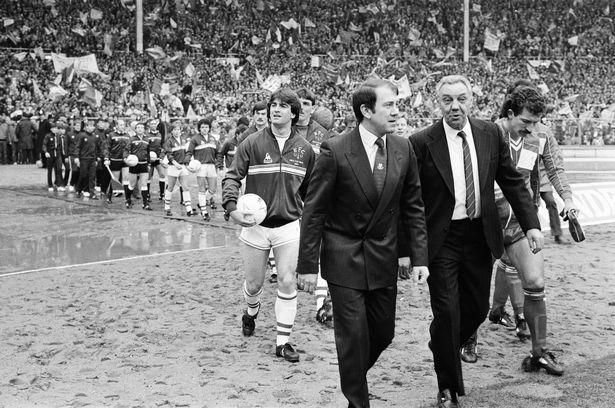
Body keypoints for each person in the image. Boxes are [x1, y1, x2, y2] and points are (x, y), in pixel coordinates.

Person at [409, 75, 543, 408]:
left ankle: (442, 342)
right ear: (435, 103)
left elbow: (512, 183)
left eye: (462, 98)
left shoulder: (489, 133)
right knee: (448, 313)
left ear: (472, 99)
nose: (455, 106)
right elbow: (411, 201)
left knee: (477, 310)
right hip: (441, 240)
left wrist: (532, 225)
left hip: (480, 237)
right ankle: (448, 388)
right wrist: (409, 251)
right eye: (447, 100)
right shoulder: (421, 141)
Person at [297, 78, 429, 408]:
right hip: (344, 257)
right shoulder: (336, 149)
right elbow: (313, 211)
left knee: (384, 333)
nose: (397, 111)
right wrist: (308, 267)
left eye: (397, 104)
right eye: (390, 105)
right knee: (353, 336)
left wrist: (418, 257)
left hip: (383, 256)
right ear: (366, 110)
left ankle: (353, 375)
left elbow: (412, 206)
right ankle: (358, 401)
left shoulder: (403, 147)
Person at [462, 84, 579, 376]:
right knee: (475, 288)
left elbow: (555, 169)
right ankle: (469, 337)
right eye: (526, 121)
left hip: (521, 224)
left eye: (536, 121)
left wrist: (568, 200)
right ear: (510, 113)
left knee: (536, 282)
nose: (531, 128)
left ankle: (538, 353)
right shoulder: (486, 133)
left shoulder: (541, 135)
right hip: (483, 222)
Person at [222, 88, 315, 363]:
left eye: (283, 106)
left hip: (288, 226)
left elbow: (312, 191)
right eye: (273, 105)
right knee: (254, 284)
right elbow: (232, 177)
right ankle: (251, 311)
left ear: (294, 113)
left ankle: (282, 342)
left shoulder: (305, 150)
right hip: (255, 227)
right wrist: (231, 208)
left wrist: (315, 221)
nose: (276, 109)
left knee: (287, 280)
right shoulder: (251, 143)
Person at [186, 116, 223, 221]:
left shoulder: (213, 139)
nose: (204, 129)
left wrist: (220, 166)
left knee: (213, 189)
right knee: (202, 189)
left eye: (206, 127)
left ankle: (201, 203)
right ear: (199, 128)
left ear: (209, 128)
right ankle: (204, 211)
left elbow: (219, 153)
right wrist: (187, 163)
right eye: (202, 127)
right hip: (200, 166)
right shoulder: (195, 139)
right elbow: (189, 152)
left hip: (211, 166)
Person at [162, 120, 196, 217]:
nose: (177, 131)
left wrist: (188, 163)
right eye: (175, 130)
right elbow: (169, 155)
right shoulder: (169, 141)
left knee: (185, 187)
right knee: (170, 187)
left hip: (183, 167)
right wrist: (175, 163)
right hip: (173, 167)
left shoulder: (184, 140)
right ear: (171, 131)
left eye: (178, 129)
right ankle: (167, 207)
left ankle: (189, 209)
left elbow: (187, 152)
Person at [74, 119, 107, 200]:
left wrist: (97, 158)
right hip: (84, 159)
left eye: (93, 126)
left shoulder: (95, 137)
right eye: (90, 126)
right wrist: (76, 157)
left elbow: (98, 148)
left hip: (92, 159)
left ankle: (91, 193)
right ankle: (79, 190)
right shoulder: (82, 136)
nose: (92, 128)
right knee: (83, 175)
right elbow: (77, 147)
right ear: (86, 127)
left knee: (92, 176)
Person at [124, 122, 152, 210]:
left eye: (141, 127)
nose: (140, 129)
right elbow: (126, 150)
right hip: (134, 165)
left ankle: (145, 204)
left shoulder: (147, 140)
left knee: (144, 184)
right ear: (135, 129)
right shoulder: (131, 139)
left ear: (144, 129)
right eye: (138, 127)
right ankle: (128, 200)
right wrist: (125, 158)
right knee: (132, 185)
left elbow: (148, 153)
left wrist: (149, 163)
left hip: (144, 164)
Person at [105, 119, 132, 203]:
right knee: (115, 179)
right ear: (116, 126)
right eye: (120, 125)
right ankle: (109, 196)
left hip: (124, 160)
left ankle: (128, 199)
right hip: (115, 159)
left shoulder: (127, 135)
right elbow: (107, 147)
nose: (122, 126)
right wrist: (106, 158)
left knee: (126, 178)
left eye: (123, 125)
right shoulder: (111, 135)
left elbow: (130, 147)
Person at [41, 120, 67, 192]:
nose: (55, 130)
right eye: (53, 128)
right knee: (50, 170)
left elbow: (61, 146)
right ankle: (50, 185)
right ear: (51, 129)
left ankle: (59, 184)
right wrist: (46, 152)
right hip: (50, 154)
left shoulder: (59, 136)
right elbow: (44, 145)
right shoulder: (48, 136)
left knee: (59, 169)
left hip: (58, 154)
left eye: (56, 128)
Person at [147, 117, 166, 201]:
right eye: (152, 124)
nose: (153, 125)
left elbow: (162, 146)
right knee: (148, 177)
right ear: (149, 125)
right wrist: (148, 156)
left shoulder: (159, 134)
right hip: (149, 159)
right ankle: (147, 194)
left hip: (158, 158)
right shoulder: (146, 135)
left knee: (162, 174)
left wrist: (161, 155)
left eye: (155, 124)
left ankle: (162, 194)